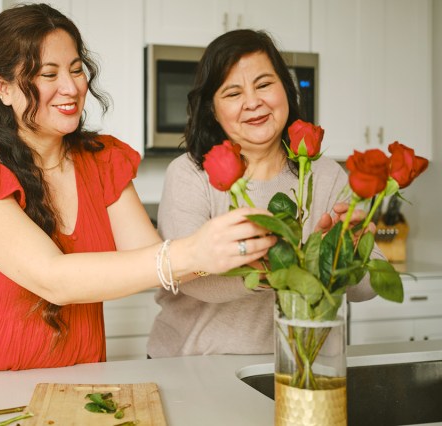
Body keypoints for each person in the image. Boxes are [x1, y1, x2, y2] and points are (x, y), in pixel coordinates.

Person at [0, 4, 277, 373]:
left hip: (80, 379)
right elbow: (53, 279)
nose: (71, 87)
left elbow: (154, 259)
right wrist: (193, 251)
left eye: (76, 69)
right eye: (48, 74)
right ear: (2, 87)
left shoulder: (101, 160)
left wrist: (258, 253)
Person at [147, 29, 382, 359]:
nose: (253, 102)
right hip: (196, 366)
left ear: (285, 88)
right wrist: (264, 273)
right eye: (232, 93)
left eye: (263, 84)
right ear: (212, 109)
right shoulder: (191, 174)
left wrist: (347, 256)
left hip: (301, 367)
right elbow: (188, 276)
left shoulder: (325, 174)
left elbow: (368, 288)